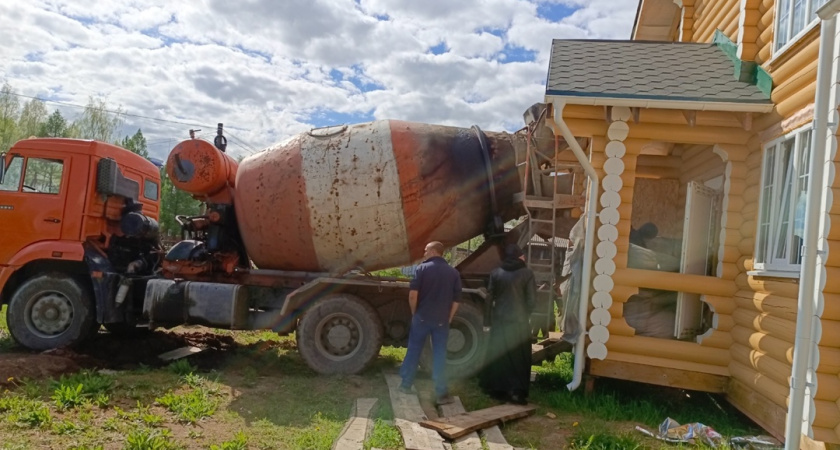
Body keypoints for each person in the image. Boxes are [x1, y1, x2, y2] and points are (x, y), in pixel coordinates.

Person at [398, 241, 462, 405]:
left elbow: (413, 295)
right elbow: (456, 300)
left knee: (414, 350)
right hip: (441, 320)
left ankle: (405, 385)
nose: (424, 253)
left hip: (422, 318)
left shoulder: (422, 269)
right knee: (440, 354)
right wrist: (449, 317)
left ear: (434, 251)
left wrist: (414, 313)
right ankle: (441, 394)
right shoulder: (453, 273)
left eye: (426, 250)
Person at [479, 243, 536, 405]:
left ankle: (497, 391)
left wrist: (487, 322)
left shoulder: (496, 273)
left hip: (499, 321)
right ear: (518, 256)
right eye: (522, 254)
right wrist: (525, 314)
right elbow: (532, 301)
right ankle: (516, 393)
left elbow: (489, 299)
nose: (524, 257)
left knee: (500, 356)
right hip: (519, 323)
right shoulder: (527, 273)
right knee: (519, 357)